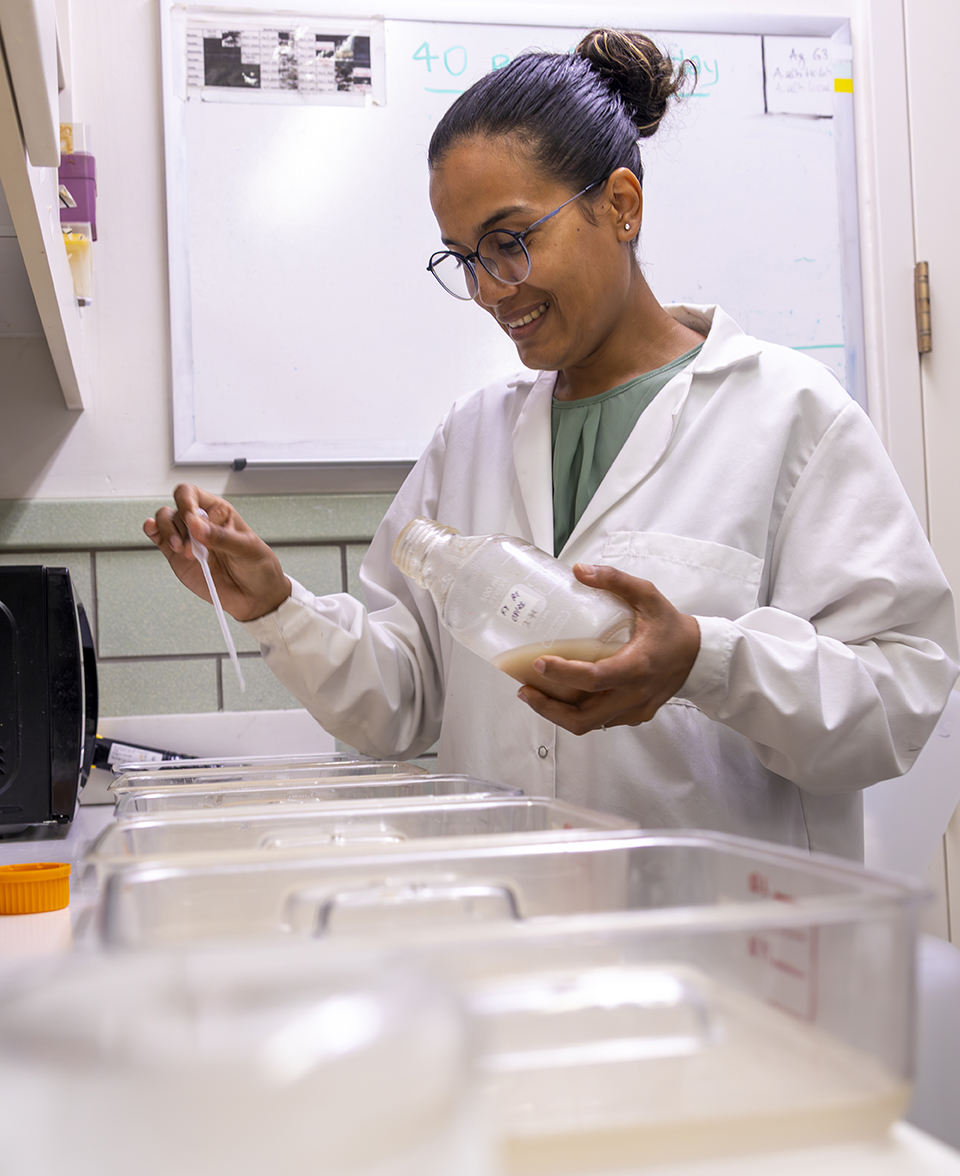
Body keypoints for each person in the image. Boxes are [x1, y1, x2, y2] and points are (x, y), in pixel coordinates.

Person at [146, 29, 958, 860]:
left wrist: (704, 663)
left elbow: (900, 695)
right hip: (520, 939)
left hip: (725, 949)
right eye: (465, 258)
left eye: (511, 240)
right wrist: (276, 607)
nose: (491, 289)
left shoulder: (789, 416)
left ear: (621, 204)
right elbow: (400, 702)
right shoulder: (471, 437)